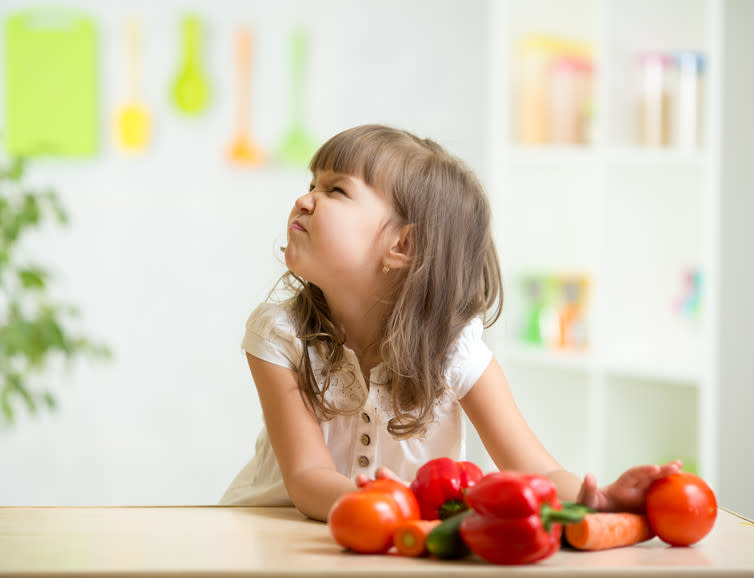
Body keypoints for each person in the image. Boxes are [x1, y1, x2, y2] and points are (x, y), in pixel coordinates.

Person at [220, 124, 681, 521]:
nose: (304, 199)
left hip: (390, 545)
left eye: (335, 190)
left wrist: (595, 500)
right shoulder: (281, 334)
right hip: (274, 536)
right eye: (312, 184)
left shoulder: (454, 349)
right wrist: (408, 507)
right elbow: (306, 478)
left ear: (402, 246)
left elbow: (535, 471)